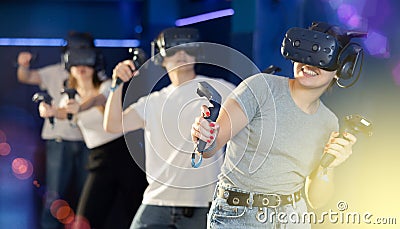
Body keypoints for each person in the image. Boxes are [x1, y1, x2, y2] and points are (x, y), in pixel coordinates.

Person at [191, 22, 363, 228]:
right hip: (237, 217)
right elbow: (211, 146)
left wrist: (329, 166)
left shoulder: (329, 122)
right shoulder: (261, 87)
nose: (309, 64)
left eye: (323, 57)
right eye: (305, 51)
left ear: (342, 68)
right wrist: (205, 134)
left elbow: (317, 199)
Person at [103, 27, 236, 228]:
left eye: (188, 48)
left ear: (197, 52)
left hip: (203, 203)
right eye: (173, 49)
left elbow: (254, 113)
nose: (181, 53)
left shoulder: (221, 88)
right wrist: (116, 85)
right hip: (157, 201)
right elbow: (112, 125)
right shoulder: (152, 102)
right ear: (161, 57)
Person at [40, 41, 147, 228]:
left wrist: (80, 107)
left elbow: (100, 99)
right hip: (99, 158)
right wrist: (50, 111)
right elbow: (64, 112)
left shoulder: (107, 85)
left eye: (86, 61)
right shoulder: (69, 97)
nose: (81, 67)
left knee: (137, 212)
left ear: (94, 64)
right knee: (85, 219)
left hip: (125, 153)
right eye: (76, 62)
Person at [16, 32, 93, 229]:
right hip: (59, 139)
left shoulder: (94, 74)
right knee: (56, 194)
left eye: (83, 51)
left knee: (86, 194)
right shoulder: (55, 72)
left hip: (88, 140)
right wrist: (23, 64)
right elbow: (27, 77)